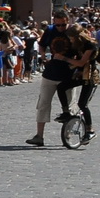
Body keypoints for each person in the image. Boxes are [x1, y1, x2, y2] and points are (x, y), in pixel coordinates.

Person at [26, 10, 75, 146]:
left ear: (68, 21)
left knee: (69, 106)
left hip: (68, 75)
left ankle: (68, 136)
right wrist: (43, 55)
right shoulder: (50, 30)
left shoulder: (74, 32)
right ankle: (39, 136)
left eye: (63, 25)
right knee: (43, 104)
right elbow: (42, 45)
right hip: (50, 73)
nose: (60, 28)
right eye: (58, 25)